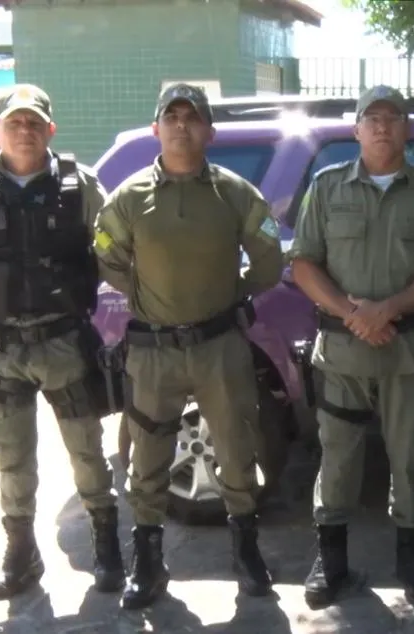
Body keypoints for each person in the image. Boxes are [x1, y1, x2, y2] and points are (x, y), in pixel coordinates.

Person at [92, 83, 284, 609]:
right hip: (153, 351)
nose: (182, 125)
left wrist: (235, 293)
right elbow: (105, 252)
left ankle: (247, 554)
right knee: (148, 456)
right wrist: (142, 295)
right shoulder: (129, 196)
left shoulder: (236, 193)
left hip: (219, 346)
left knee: (236, 450)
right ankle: (148, 564)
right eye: (172, 117)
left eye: (192, 117)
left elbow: (269, 258)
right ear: (157, 128)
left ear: (209, 131)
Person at [289, 85, 414, 609]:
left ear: (407, 129)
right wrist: (355, 314)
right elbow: (303, 263)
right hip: (343, 351)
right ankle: (331, 559)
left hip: (406, 349)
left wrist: (387, 310)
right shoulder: (327, 186)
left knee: (409, 457)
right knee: (338, 456)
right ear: (356, 129)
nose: (382, 126)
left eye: (392, 117)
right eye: (372, 117)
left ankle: (412, 557)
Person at [0, 84, 125, 601]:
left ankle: (107, 545)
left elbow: (116, 249)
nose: (24, 131)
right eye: (14, 122)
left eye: (34, 123)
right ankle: (21, 553)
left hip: (63, 344)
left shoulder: (81, 186)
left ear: (50, 130)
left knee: (87, 452)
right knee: (12, 459)